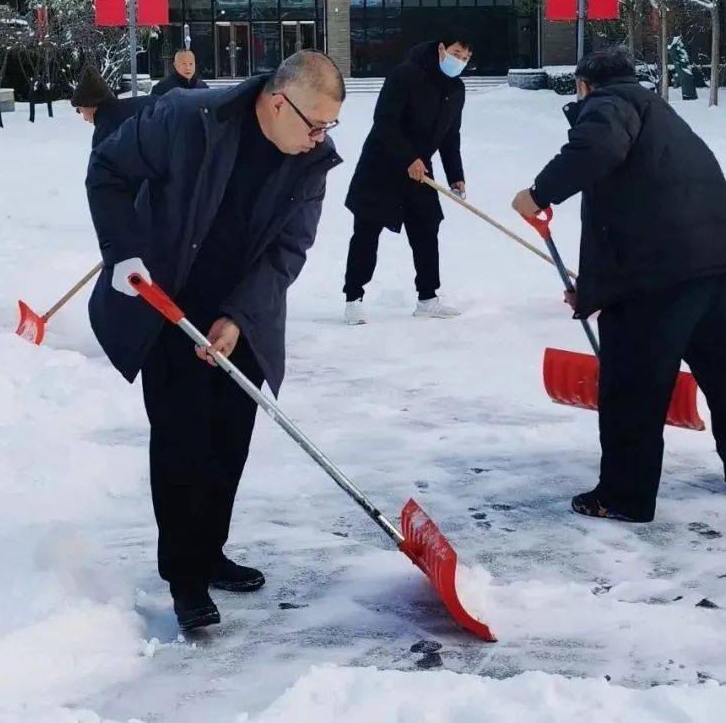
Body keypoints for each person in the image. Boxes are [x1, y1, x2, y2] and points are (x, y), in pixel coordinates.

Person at [85, 50, 345, 632]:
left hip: (244, 310)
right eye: (315, 124)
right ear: (278, 102)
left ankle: (210, 551)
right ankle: (184, 578)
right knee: (182, 442)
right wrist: (122, 251)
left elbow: (288, 250)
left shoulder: (312, 159)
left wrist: (238, 316)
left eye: (330, 126)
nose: (321, 138)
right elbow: (107, 170)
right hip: (167, 302)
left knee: (230, 439)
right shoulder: (186, 119)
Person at [512, 45, 726, 524]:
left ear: (585, 84)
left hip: (663, 273)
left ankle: (624, 496)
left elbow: (598, 149)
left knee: (632, 384)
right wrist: (593, 292)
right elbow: (642, 209)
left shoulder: (610, 105)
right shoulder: (660, 113)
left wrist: (539, 193)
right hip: (722, 260)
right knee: (725, 368)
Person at [342, 34, 472, 325]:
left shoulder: (456, 89)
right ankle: (354, 298)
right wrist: (408, 157)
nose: (459, 61)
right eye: (456, 52)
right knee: (367, 231)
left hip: (418, 171)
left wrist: (456, 176)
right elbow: (384, 121)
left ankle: (428, 297)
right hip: (382, 164)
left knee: (427, 227)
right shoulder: (406, 75)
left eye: (465, 58)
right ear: (441, 48)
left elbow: (450, 136)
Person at [71, 61, 148, 147]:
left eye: (81, 110)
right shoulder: (135, 106)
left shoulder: (104, 133)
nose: (84, 118)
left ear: (91, 105)